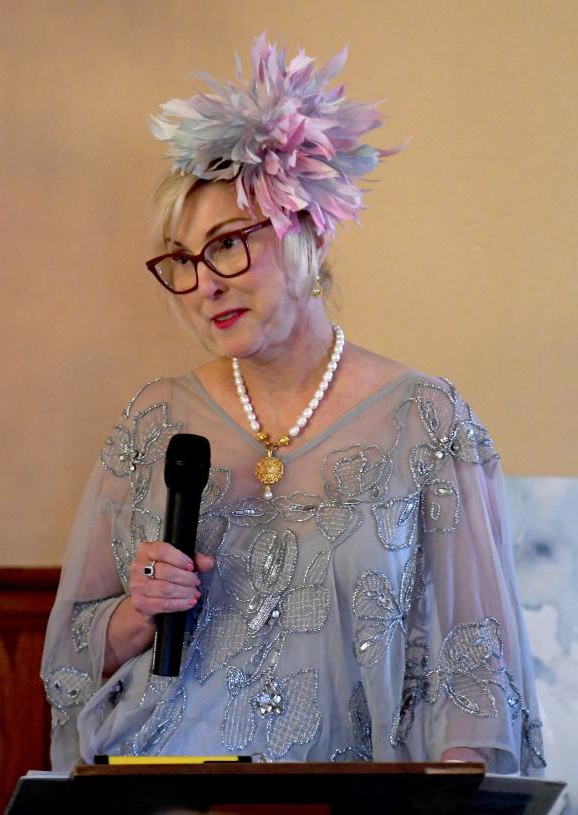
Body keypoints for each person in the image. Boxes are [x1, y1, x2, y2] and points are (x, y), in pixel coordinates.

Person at [40, 34, 545, 774]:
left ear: (305, 231)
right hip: (169, 788)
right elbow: (71, 660)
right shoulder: (154, 420)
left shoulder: (427, 420)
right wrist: (137, 611)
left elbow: (476, 663)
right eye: (182, 260)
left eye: (228, 244)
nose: (205, 283)